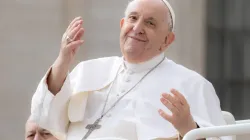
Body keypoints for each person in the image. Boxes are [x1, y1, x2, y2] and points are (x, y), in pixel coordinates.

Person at [30, 0, 230, 139]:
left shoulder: (192, 84)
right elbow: (44, 117)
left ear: (167, 40)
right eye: (133, 18)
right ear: (122, 25)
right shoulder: (87, 70)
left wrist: (188, 128)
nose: (137, 28)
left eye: (150, 23)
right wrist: (63, 61)